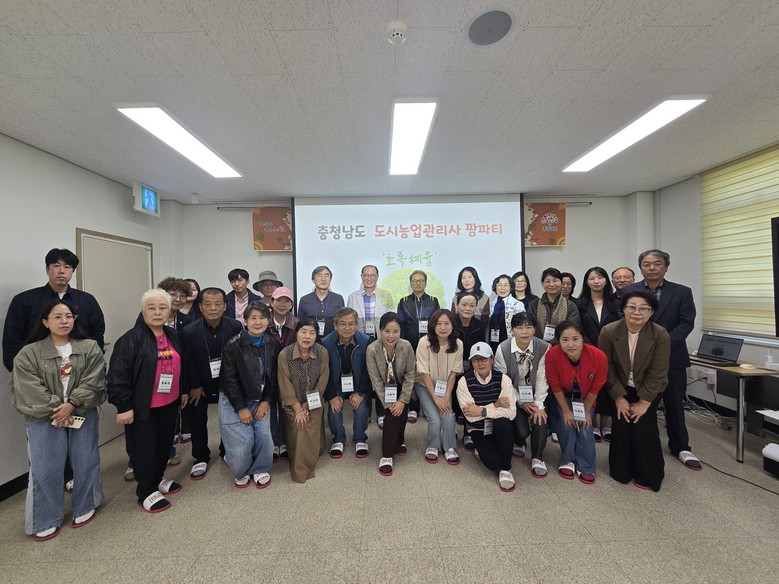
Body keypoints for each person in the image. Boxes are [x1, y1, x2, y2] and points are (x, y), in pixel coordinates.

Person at [10, 299, 106, 541]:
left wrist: (72, 403)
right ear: (45, 322)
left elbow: (95, 379)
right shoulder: (29, 353)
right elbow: (28, 388)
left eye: (69, 316)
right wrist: (58, 408)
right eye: (58, 317)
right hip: (44, 416)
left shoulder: (89, 347)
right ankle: (45, 518)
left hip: (82, 410)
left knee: (86, 460)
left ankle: (85, 505)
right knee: (45, 468)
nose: (64, 321)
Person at [107, 289, 188, 513]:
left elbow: (179, 366)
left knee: (163, 445)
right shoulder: (130, 339)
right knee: (143, 448)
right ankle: (145, 490)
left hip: (169, 402)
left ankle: (157, 479)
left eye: (163, 308)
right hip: (143, 405)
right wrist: (123, 406)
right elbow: (117, 376)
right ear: (143, 312)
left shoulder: (172, 335)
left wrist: (182, 391)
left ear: (169, 312)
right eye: (152, 308)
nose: (157, 312)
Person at [621, 249, 700, 470]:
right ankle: (639, 445)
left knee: (674, 403)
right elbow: (622, 319)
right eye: (647, 264)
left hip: (672, 357)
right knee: (639, 403)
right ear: (640, 268)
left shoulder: (682, 292)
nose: (652, 268)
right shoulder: (628, 291)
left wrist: (661, 344)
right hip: (635, 358)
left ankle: (681, 446)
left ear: (666, 266)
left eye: (657, 264)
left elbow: (686, 323)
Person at [598, 291, 670, 491]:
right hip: (619, 387)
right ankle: (621, 471)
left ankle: (647, 474)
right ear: (623, 309)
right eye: (631, 307)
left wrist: (644, 402)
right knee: (621, 426)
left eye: (643, 308)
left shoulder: (660, 334)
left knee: (642, 427)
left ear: (651, 312)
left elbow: (658, 371)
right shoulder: (609, 331)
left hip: (649, 389)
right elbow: (606, 367)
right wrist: (618, 397)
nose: (637, 312)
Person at [3, 248, 105, 372]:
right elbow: (12, 338)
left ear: (72, 271)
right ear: (47, 269)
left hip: (79, 368)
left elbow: (97, 333)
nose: (62, 271)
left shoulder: (87, 300)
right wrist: (18, 370)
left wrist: (93, 364)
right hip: (36, 368)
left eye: (67, 267)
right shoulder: (25, 300)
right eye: (56, 266)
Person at [179, 287, 243, 479]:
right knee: (198, 420)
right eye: (208, 304)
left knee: (228, 418)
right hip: (199, 383)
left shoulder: (235, 327)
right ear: (200, 307)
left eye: (217, 304)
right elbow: (187, 360)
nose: (213, 308)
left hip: (228, 382)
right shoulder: (189, 331)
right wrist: (195, 385)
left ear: (225, 306)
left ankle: (226, 451)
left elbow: (240, 357)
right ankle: (200, 457)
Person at [219, 302, 280, 488]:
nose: (258, 322)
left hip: (260, 398)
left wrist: (266, 401)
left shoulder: (272, 343)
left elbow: (273, 377)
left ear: (268, 320)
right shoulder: (233, 345)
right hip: (234, 400)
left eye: (262, 318)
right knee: (242, 443)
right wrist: (241, 407)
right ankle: (241, 469)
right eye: (253, 318)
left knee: (264, 437)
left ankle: (260, 468)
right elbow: (229, 380)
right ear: (245, 321)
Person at [545, 321, 608, 484]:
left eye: (575, 339)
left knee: (585, 425)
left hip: (586, 396)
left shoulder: (598, 356)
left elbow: (596, 387)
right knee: (566, 423)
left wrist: (586, 411)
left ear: (582, 338)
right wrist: (566, 411)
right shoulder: (552, 355)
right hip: (563, 395)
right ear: (559, 341)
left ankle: (586, 466)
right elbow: (555, 385)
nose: (571, 344)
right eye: (565, 340)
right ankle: (568, 460)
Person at [494, 312, 551, 478]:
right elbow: (504, 381)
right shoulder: (503, 348)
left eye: (529, 327)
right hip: (513, 395)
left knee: (540, 419)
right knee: (522, 431)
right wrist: (521, 402)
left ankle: (537, 457)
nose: (524, 331)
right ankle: (519, 441)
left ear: (535, 329)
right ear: (512, 330)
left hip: (535, 394)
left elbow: (541, 378)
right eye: (519, 327)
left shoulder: (543, 347)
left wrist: (538, 404)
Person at [456, 342, 517, 492]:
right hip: (477, 429)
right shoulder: (464, 382)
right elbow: (471, 417)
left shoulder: (503, 379)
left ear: (492, 359)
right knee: (493, 464)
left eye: (484, 359)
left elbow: (510, 413)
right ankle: (491, 451)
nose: (480, 363)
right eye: (476, 360)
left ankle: (506, 469)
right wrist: (496, 405)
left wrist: (482, 411)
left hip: (498, 426)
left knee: (503, 423)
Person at [277, 318, 330, 483]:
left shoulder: (322, 352)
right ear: (296, 333)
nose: (307, 336)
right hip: (292, 404)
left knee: (311, 423)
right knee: (300, 426)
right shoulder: (285, 354)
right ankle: (300, 469)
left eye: (312, 333)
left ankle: (313, 456)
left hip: (314, 401)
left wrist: (307, 404)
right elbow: (284, 384)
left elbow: (322, 381)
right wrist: (298, 408)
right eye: (303, 332)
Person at [366, 313, 416, 476]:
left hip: (402, 386)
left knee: (402, 415)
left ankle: (400, 441)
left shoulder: (406, 346)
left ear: (400, 331)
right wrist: (389, 404)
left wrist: (402, 400)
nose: (391, 335)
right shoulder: (372, 349)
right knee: (392, 417)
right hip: (384, 388)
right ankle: (387, 455)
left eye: (396, 331)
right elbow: (376, 380)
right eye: (387, 331)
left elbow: (410, 374)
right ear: (380, 330)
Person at [321, 307, 372, 459]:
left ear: (357, 325)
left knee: (361, 408)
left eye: (351, 324)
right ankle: (338, 439)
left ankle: (360, 438)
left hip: (358, 383)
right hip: (335, 382)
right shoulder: (325, 343)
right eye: (343, 324)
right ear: (335, 325)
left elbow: (368, 370)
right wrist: (331, 396)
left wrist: (360, 393)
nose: (347, 328)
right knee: (334, 408)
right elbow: (325, 372)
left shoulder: (366, 341)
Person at [414, 308, 463, 464]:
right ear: (433, 325)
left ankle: (449, 447)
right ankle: (433, 446)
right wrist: (436, 398)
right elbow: (424, 373)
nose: (443, 327)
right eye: (439, 323)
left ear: (452, 325)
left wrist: (446, 396)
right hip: (424, 385)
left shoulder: (458, 344)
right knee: (435, 419)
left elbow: (454, 373)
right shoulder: (424, 342)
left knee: (447, 413)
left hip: (444, 386)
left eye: (447, 323)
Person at [577, 267, 620, 443]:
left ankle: (606, 424)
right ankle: (593, 423)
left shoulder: (616, 303)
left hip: (612, 351)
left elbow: (620, 326)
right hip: (588, 350)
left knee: (608, 385)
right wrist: (591, 348)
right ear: (586, 282)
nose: (596, 281)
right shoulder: (580, 304)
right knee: (590, 386)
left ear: (606, 280)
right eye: (592, 278)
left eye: (600, 277)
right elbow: (579, 328)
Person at [397, 270, 440, 426]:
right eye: (414, 281)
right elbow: (400, 325)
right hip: (410, 343)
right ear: (410, 284)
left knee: (429, 374)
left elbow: (437, 323)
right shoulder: (403, 301)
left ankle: (429, 408)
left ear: (426, 283)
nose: (418, 283)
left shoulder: (433, 301)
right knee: (410, 374)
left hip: (428, 344)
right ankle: (413, 407)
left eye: (421, 280)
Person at [267, 286, 298, 460]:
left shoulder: (297, 324)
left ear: (291, 304)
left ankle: (284, 442)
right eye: (279, 300)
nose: (282, 304)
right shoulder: (264, 322)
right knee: (270, 408)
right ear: (271, 302)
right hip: (268, 373)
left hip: (289, 374)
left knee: (286, 406)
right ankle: (273, 442)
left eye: (287, 301)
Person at [453, 292, 486, 450]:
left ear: (476, 307)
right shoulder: (450, 323)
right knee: (453, 397)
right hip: (453, 365)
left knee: (471, 396)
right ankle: (451, 428)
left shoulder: (479, 325)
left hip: (473, 366)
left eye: (471, 305)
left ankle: (468, 432)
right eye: (464, 305)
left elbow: (481, 349)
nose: (467, 308)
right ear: (457, 305)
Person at [528, 268, 580, 344]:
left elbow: (571, 329)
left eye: (555, 281)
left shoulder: (570, 306)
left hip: (562, 346)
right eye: (547, 281)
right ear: (543, 284)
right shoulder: (534, 304)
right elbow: (530, 327)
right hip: (538, 346)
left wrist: (552, 343)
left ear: (561, 283)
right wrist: (541, 344)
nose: (551, 284)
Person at [346, 264, 395, 339]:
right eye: (366, 275)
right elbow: (348, 321)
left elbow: (392, 318)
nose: (369, 278)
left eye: (372, 275)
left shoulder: (386, 296)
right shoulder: (352, 297)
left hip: (380, 338)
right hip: (359, 339)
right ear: (361, 277)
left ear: (377, 277)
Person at [297, 265, 345, 337]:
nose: (323, 279)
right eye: (319, 275)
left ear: (330, 279)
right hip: (310, 339)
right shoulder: (304, 299)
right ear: (313, 280)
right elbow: (300, 324)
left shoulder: (338, 299)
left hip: (332, 340)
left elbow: (342, 322)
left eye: (326, 275)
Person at [486, 274, 525, 352]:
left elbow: (521, 327)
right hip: (493, 341)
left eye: (506, 285)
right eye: (499, 285)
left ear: (511, 287)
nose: (502, 288)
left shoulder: (517, 304)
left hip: (510, 343)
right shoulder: (492, 304)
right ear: (495, 287)